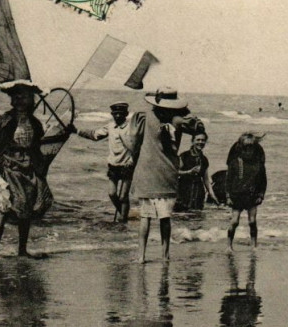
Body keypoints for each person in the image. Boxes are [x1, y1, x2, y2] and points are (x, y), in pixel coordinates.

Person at [0, 80, 53, 259]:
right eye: (16, 96)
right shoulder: (4, 120)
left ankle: (22, 250)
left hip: (27, 170)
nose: (20, 100)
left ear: (31, 99)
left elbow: (37, 146)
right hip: (7, 169)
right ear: (12, 100)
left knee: (25, 211)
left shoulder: (35, 123)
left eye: (25, 96)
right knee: (3, 209)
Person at [130, 87, 205, 263]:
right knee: (165, 218)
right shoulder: (179, 119)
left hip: (146, 172)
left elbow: (134, 143)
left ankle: (141, 256)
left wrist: (134, 166)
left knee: (145, 218)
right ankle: (165, 255)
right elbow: (199, 127)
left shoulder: (144, 116)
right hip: (167, 173)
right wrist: (184, 110)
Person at [70, 102, 137, 222]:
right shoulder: (110, 127)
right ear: (112, 114)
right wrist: (77, 131)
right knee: (112, 194)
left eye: (120, 114)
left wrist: (132, 159)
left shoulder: (130, 128)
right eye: (115, 114)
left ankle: (123, 220)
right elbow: (95, 135)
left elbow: (136, 146)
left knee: (123, 197)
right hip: (113, 165)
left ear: (126, 114)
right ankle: (123, 214)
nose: (117, 116)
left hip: (127, 165)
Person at [225, 132, 267, 251]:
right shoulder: (234, 163)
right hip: (237, 195)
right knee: (234, 222)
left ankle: (254, 245)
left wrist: (261, 195)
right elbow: (228, 181)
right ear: (240, 148)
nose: (248, 150)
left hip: (252, 195)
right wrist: (228, 196)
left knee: (252, 221)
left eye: (251, 147)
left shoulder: (259, 164)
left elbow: (263, 181)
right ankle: (229, 246)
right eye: (245, 147)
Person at [175, 132, 219, 211]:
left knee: (197, 216)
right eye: (198, 140)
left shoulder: (204, 159)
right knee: (181, 215)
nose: (200, 142)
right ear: (192, 141)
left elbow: (206, 179)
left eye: (203, 140)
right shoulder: (184, 156)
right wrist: (188, 172)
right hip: (184, 189)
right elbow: (174, 172)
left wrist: (212, 195)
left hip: (198, 191)